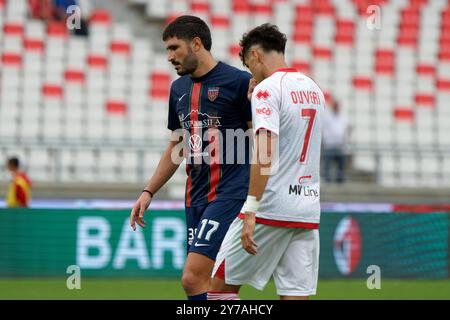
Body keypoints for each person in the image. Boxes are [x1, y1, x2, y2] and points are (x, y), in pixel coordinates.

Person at [129, 15, 253, 300]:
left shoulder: (238, 82)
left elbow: (262, 141)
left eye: (175, 48)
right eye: (167, 50)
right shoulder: (178, 90)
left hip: (230, 194)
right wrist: (149, 191)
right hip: (194, 198)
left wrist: (259, 196)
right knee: (211, 285)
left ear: (196, 43)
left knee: (192, 278)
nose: (170, 57)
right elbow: (178, 146)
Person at [208, 24, 325, 300]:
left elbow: (265, 152)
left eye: (249, 64)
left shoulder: (267, 90)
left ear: (256, 55)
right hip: (306, 209)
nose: (251, 72)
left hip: (271, 208)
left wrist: (250, 210)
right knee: (295, 294)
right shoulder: (314, 88)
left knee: (218, 292)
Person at [322, 99, 350, 183]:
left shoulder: (344, 116)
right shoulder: (327, 116)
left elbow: (349, 127)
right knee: (327, 164)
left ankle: (340, 181)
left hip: (340, 145)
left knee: (341, 165)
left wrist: (346, 138)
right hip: (329, 144)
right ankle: (327, 180)